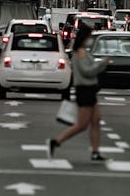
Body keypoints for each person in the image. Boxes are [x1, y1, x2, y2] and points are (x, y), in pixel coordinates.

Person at [47, 25, 111, 161]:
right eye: (89, 36)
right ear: (85, 37)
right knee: (82, 124)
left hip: (89, 90)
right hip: (85, 90)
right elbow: (87, 71)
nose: (90, 39)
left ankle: (95, 151)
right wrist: (102, 64)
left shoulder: (83, 51)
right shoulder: (80, 53)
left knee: (96, 121)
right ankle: (56, 141)